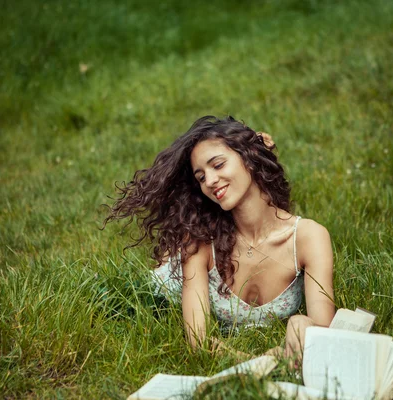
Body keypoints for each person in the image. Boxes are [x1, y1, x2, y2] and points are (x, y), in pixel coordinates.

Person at [104, 115, 334, 359]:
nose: (210, 182)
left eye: (218, 165)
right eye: (201, 177)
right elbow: (198, 343)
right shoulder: (198, 243)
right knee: (165, 269)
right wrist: (269, 360)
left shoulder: (309, 237)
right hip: (172, 282)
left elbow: (323, 334)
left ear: (250, 158)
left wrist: (300, 324)